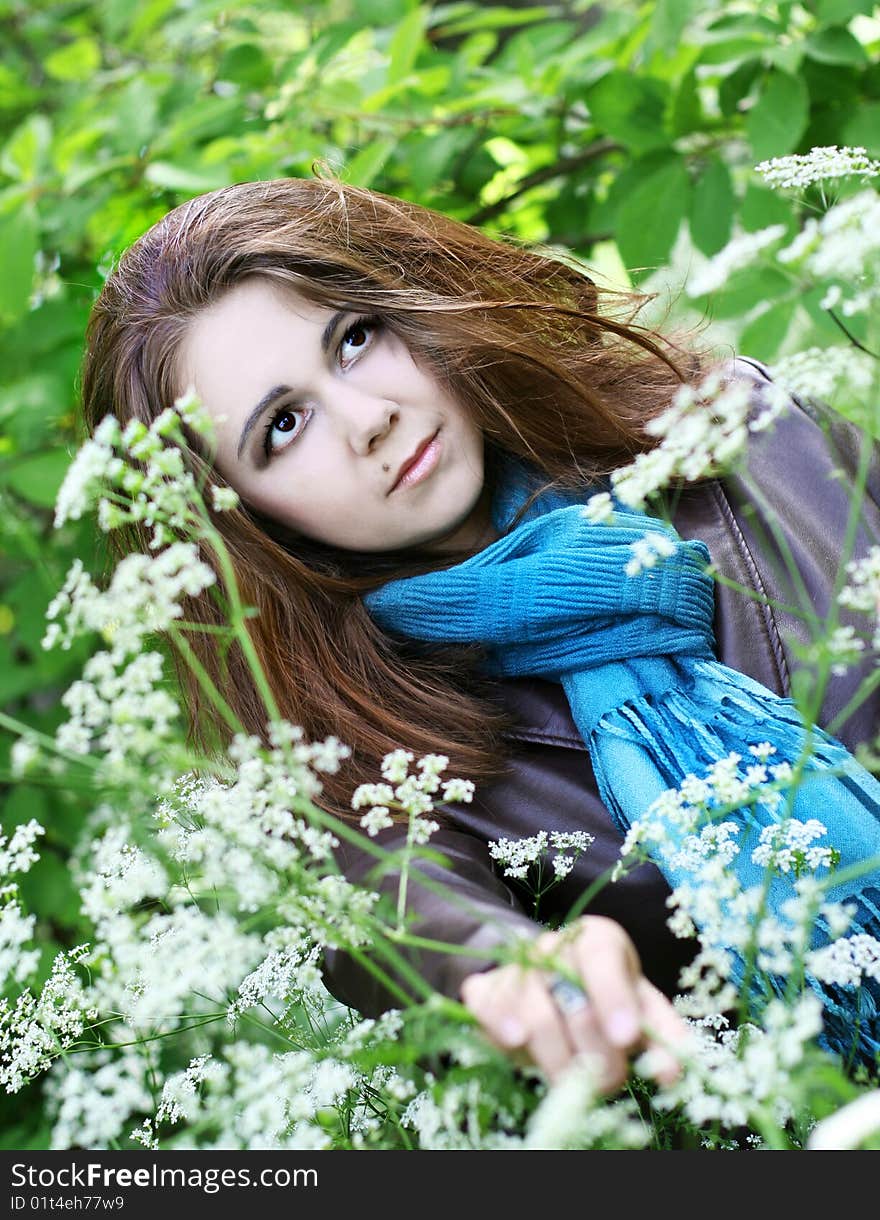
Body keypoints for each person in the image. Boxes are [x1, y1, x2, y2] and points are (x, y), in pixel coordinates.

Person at [79, 175, 880, 1092]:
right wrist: (518, 975)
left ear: (416, 301)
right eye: (284, 425)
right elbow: (410, 917)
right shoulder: (347, 762)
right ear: (243, 518)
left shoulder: (735, 427)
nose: (367, 419)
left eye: (354, 338)